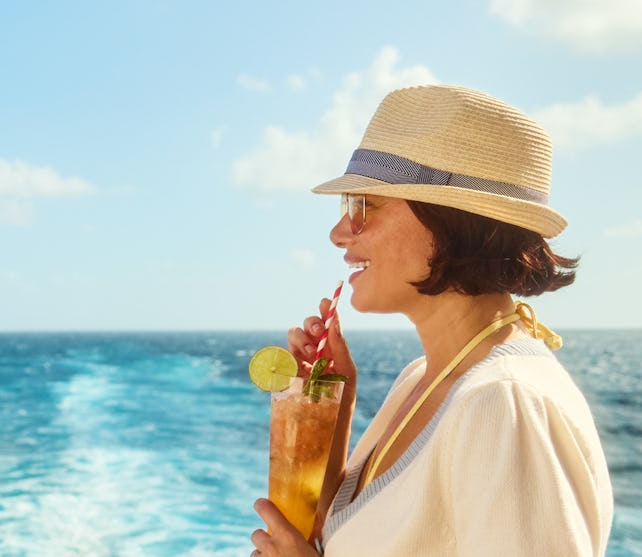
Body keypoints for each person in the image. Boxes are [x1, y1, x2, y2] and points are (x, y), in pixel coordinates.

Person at [247, 84, 614, 556]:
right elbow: (350, 538)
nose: (339, 233)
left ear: (447, 220)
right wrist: (334, 409)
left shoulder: (502, 402)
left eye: (363, 207)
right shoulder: (421, 380)